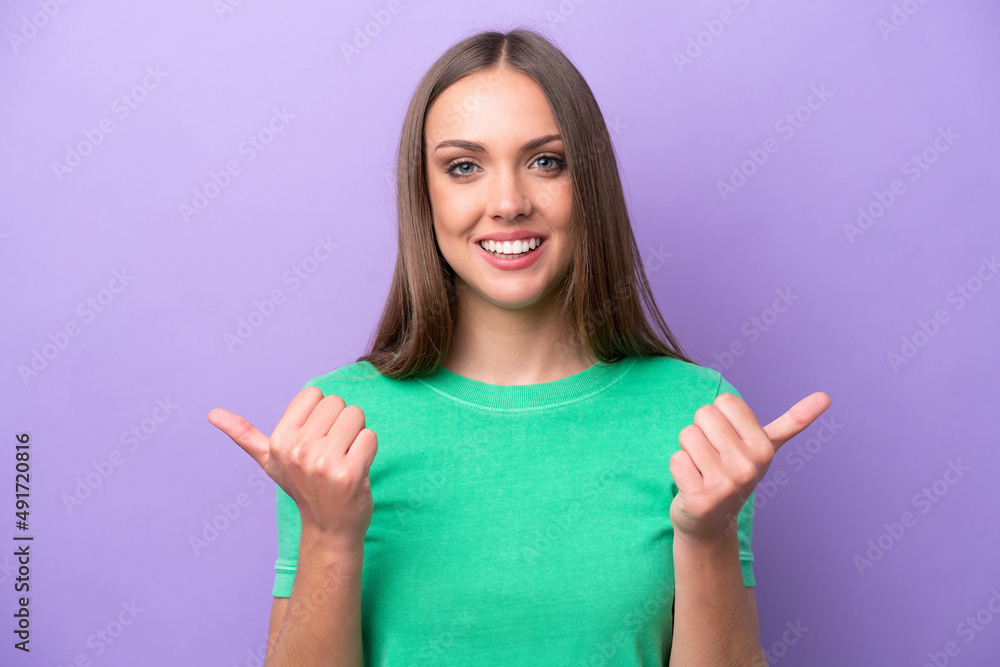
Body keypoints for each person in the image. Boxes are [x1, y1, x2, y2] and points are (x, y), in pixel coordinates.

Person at [208, 27, 830, 666]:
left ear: (589, 182)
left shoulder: (699, 421)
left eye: (546, 162)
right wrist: (329, 536)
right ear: (423, 193)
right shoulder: (333, 429)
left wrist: (708, 537)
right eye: (464, 167)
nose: (507, 203)